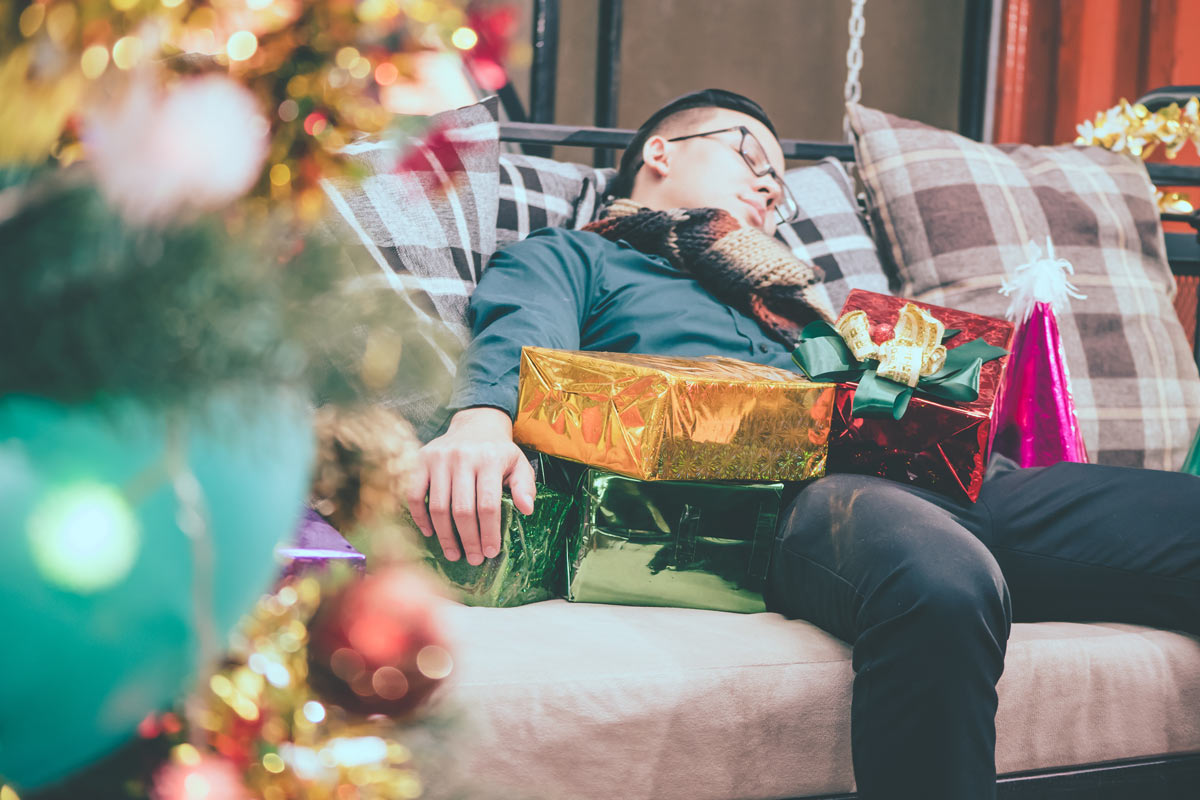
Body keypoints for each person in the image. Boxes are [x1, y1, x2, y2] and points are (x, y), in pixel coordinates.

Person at [405, 89, 1200, 800]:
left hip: (958, 474)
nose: (768, 186)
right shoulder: (579, 254)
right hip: (790, 489)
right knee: (945, 581)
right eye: (749, 154)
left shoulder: (797, 298)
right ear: (659, 153)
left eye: (779, 183)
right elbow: (521, 335)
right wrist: (479, 420)